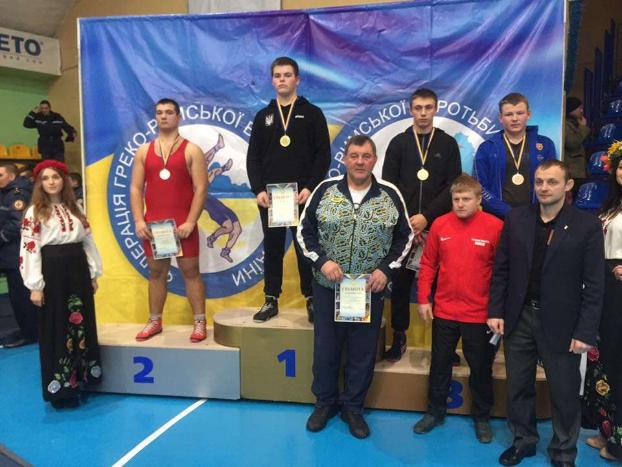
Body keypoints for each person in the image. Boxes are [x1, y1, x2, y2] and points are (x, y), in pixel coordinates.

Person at [488, 159, 604, 466]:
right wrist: (496, 310)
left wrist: (586, 331)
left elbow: (595, 284)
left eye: (552, 182)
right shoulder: (516, 219)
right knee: (518, 386)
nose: (544, 187)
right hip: (518, 318)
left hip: (564, 323)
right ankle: (523, 441)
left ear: (568, 185)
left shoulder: (587, 226)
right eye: (539, 181)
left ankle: (563, 451)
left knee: (564, 392)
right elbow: (501, 270)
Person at [297, 135, 413, 439]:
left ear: (374, 159)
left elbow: (406, 238)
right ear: (345, 159)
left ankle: (353, 407)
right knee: (326, 349)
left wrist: (386, 269)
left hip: (368, 290)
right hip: (328, 287)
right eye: (354, 156)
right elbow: (304, 232)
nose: (360, 162)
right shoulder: (325, 190)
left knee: (362, 351)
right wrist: (322, 261)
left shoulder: (390, 194)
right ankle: (324, 403)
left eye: (366, 156)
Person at [413, 174, 502, 443]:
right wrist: (423, 298)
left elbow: (503, 273)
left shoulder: (496, 226)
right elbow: (428, 264)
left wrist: (497, 311)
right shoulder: (440, 225)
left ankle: (482, 417)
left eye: (466, 199)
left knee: (481, 369)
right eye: (456, 199)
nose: (460, 204)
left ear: (478, 200)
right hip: (444, 311)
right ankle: (435, 412)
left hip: (479, 315)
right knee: (440, 365)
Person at [246, 56, 331, 323]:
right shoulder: (263, 116)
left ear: (297, 80)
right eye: (277, 75)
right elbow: (253, 157)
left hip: (301, 196)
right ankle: (271, 298)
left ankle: (312, 298)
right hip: (271, 198)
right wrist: (258, 189)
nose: (282, 79)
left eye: (287, 75)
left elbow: (322, 155)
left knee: (306, 247)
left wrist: (310, 187)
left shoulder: (312, 113)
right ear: (272, 81)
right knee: (272, 248)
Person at [381, 88, 462, 361]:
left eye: (428, 107)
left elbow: (452, 186)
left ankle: (444, 346)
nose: (423, 113)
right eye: (418, 108)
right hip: (405, 230)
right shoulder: (399, 143)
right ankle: (399, 336)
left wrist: (427, 217)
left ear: (436, 109)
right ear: (410, 110)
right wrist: (408, 225)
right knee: (400, 285)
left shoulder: (447, 144)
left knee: (441, 287)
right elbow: (389, 186)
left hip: (438, 228)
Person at [19, 160, 103, 409]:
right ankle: (62, 389)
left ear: (63, 180)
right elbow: (29, 248)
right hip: (53, 272)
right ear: (39, 183)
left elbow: (88, 242)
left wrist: (93, 273)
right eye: (45, 178)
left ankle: (84, 379)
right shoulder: (34, 212)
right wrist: (35, 285)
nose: (51, 182)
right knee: (56, 325)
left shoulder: (75, 209)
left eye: (55, 177)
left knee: (81, 323)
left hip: (77, 270)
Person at [130, 98, 208, 342]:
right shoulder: (144, 151)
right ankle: (154, 321)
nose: (163, 116)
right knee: (156, 272)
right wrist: (139, 220)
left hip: (183, 224)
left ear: (178, 117)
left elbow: (201, 188)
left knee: (191, 271)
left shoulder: (192, 150)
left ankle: (200, 322)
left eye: (169, 112)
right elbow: (135, 188)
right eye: (159, 113)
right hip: (155, 225)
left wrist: (191, 221)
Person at [581, 142, 622, 461]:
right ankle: (606, 428)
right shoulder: (612, 204)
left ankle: (620, 440)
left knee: (619, 361)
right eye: (621, 166)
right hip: (603, 284)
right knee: (602, 359)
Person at [474, 92, 557, 219]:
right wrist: (507, 212)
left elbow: (553, 181)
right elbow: (479, 187)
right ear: (500, 118)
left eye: (520, 113)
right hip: (498, 217)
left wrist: (536, 211)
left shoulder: (545, 145)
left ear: (528, 114)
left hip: (537, 217)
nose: (515, 118)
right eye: (508, 114)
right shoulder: (486, 148)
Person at [0, 163, 38, 348]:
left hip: (16, 254)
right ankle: (26, 330)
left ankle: (29, 333)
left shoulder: (17, 194)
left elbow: (17, 224)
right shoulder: (7, 193)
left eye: (0, 175)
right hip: (9, 254)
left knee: (21, 297)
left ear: (11, 176)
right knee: (17, 297)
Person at [563, 97, 591, 200]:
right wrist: (583, 127)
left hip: (579, 171)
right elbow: (572, 143)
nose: (582, 111)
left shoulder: (575, 123)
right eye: (579, 108)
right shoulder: (565, 124)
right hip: (573, 171)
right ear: (572, 109)